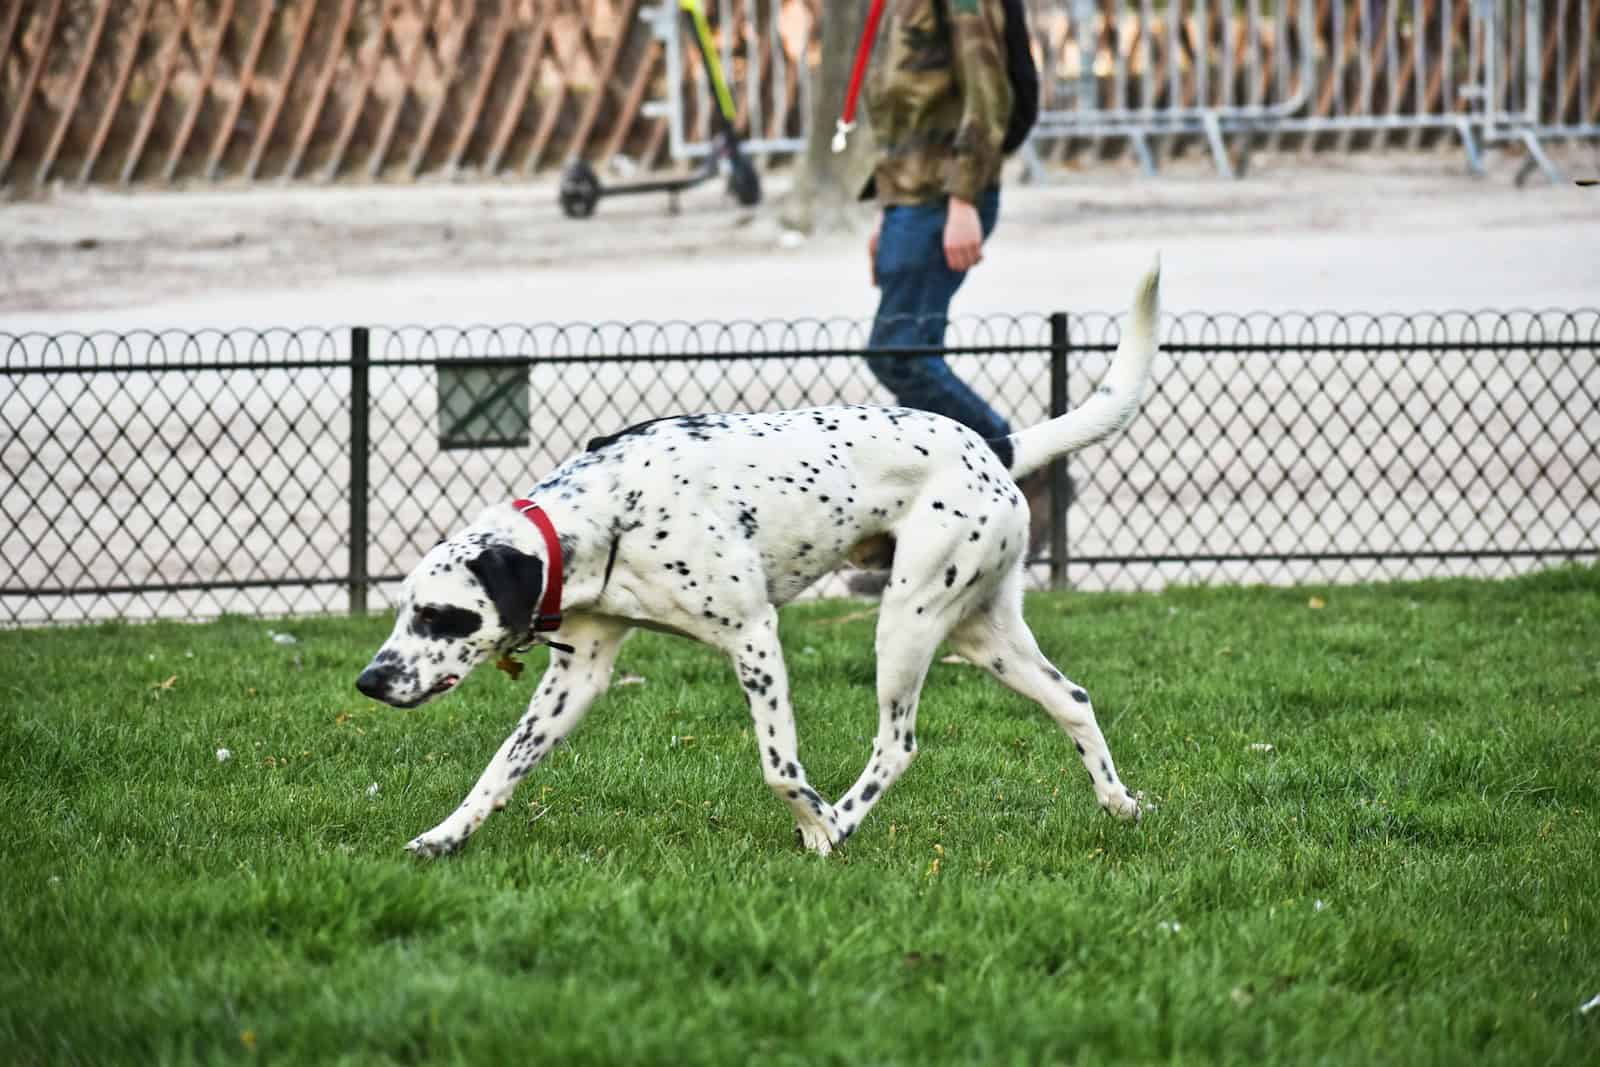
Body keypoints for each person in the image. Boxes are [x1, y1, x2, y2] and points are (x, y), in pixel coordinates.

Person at [851, 0, 1065, 592]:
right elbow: (904, 103)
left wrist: (965, 200)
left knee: (900, 354)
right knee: (904, 352)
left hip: (944, 199)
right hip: (911, 199)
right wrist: (889, 211)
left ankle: (1016, 467)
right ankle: (939, 532)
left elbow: (987, 91)